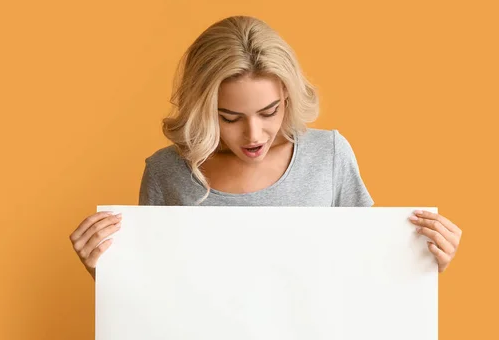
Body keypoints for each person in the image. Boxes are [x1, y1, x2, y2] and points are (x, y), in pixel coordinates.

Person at [69, 15, 462, 280]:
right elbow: (154, 290)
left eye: (269, 111)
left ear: (288, 97)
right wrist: (107, 271)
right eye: (230, 117)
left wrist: (424, 262)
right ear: (203, 108)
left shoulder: (329, 156)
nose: (254, 135)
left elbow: (369, 271)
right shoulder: (166, 172)